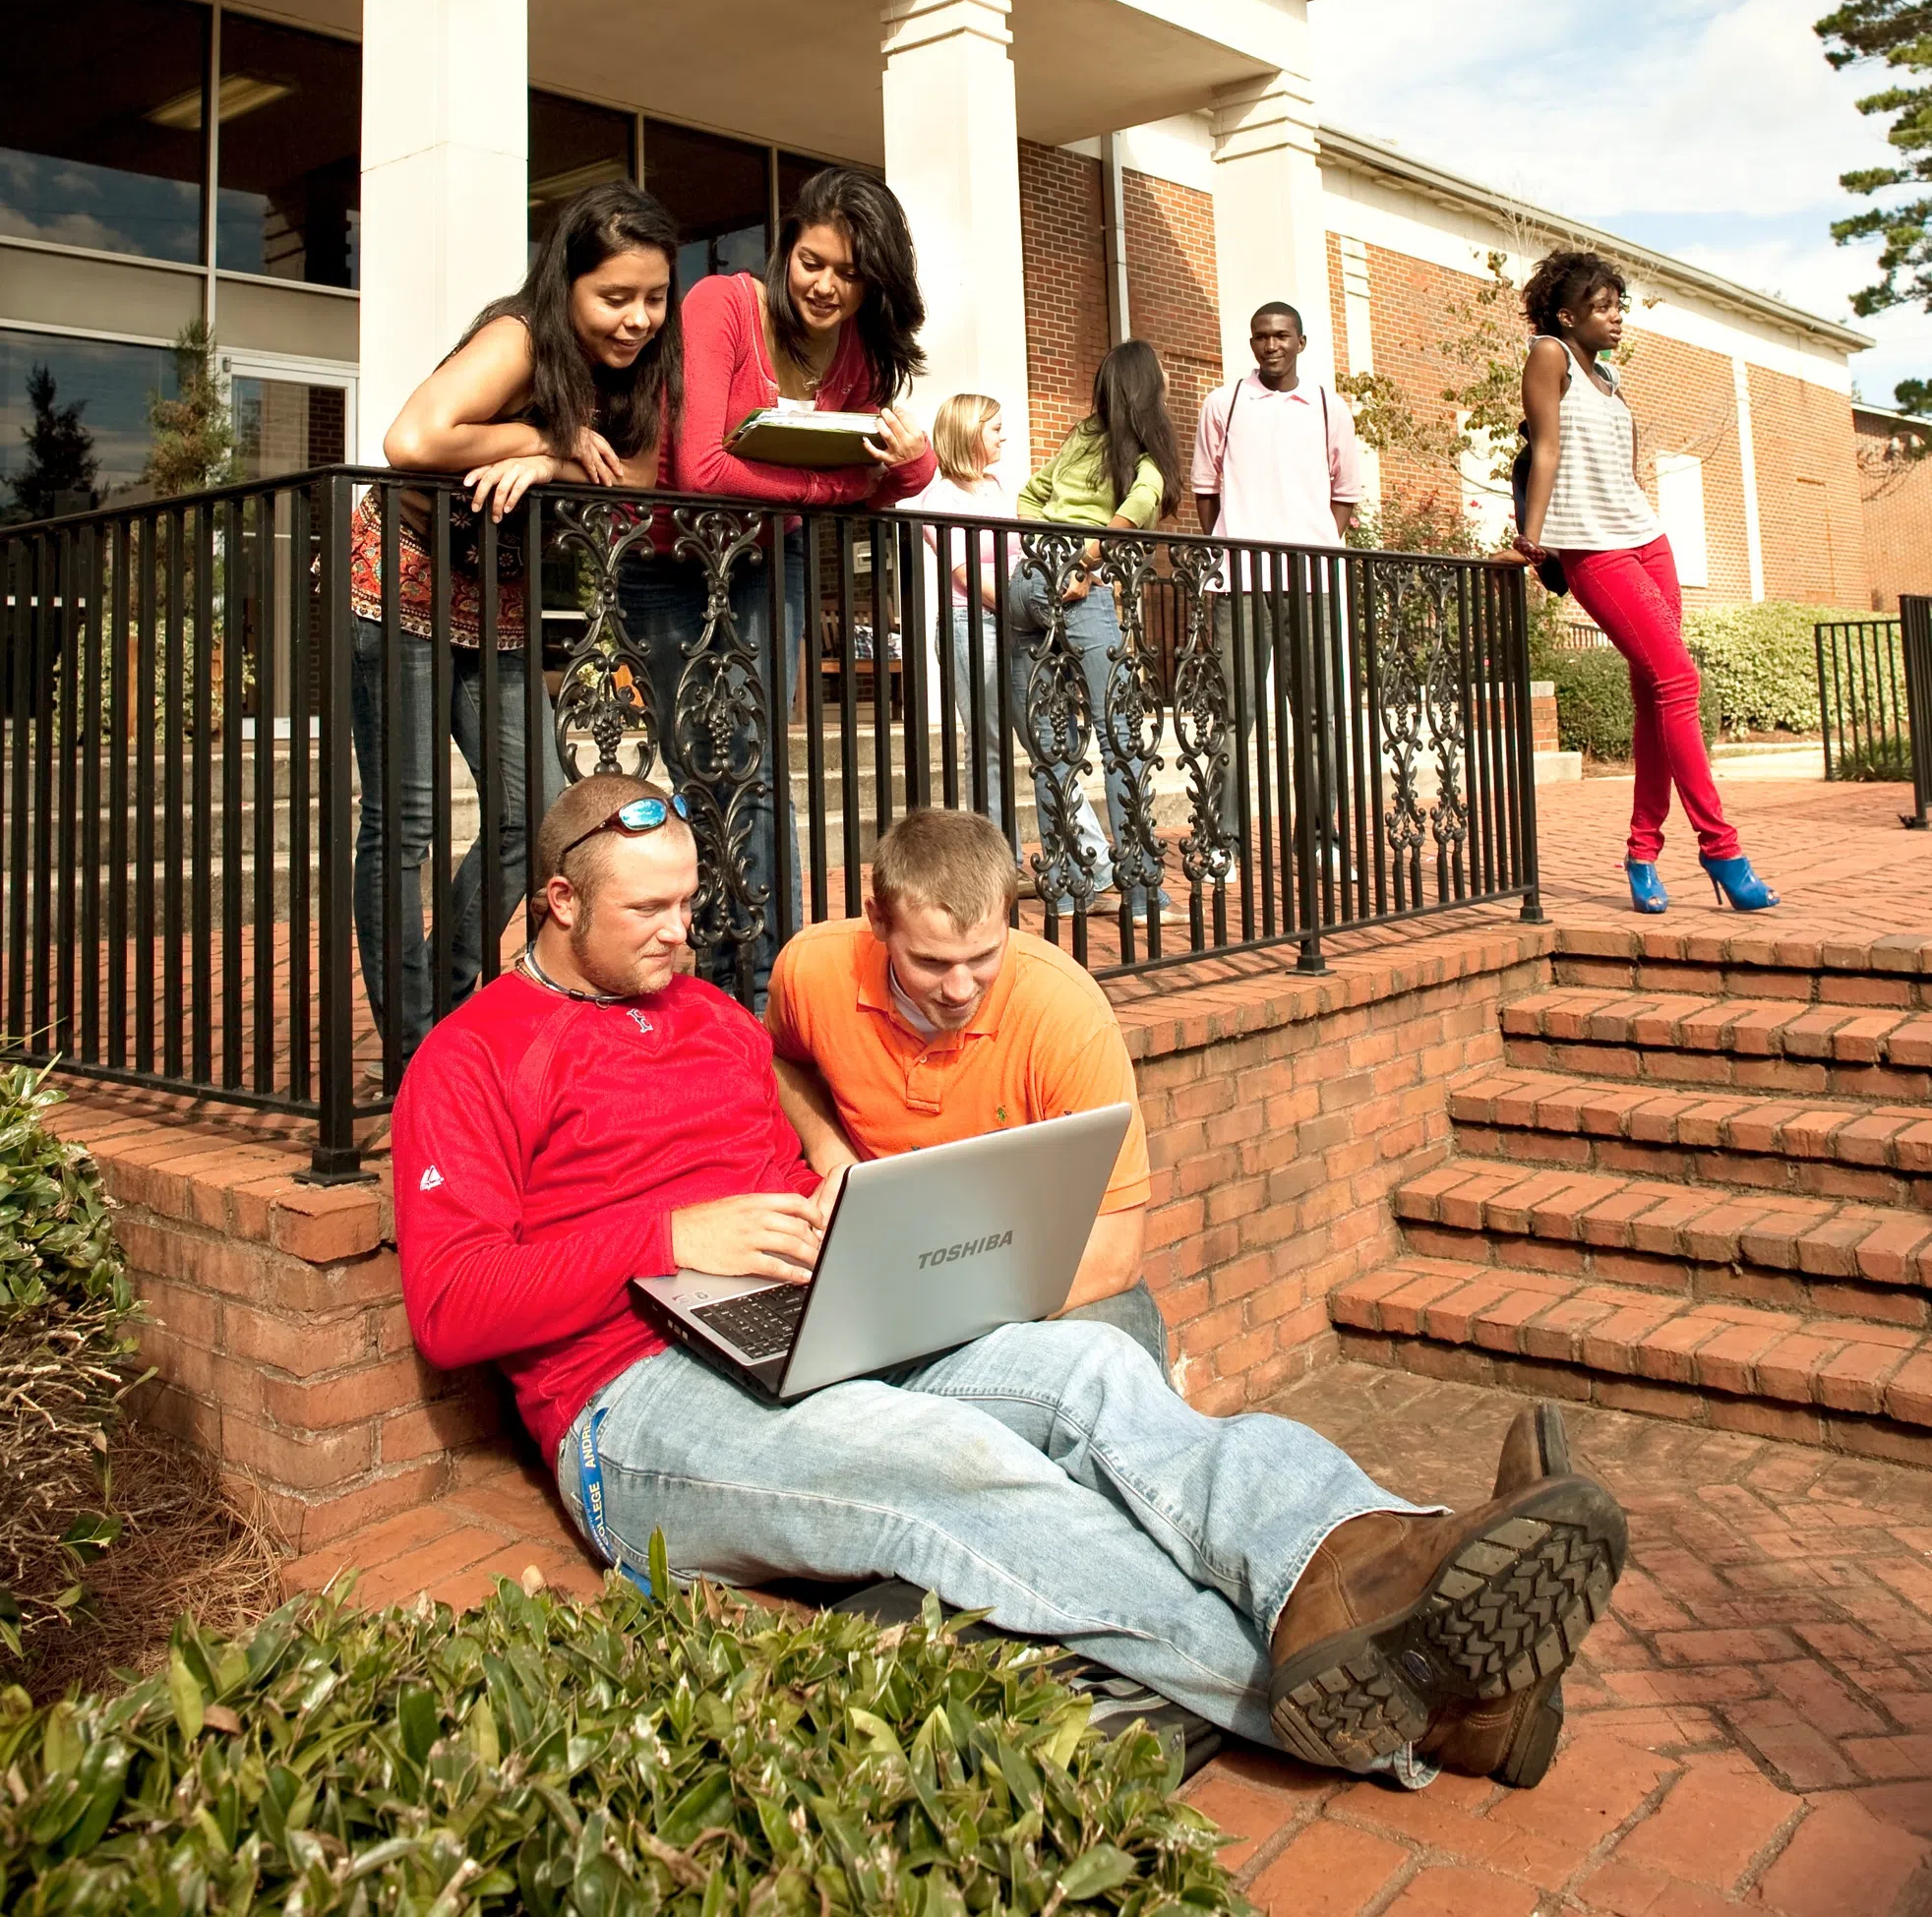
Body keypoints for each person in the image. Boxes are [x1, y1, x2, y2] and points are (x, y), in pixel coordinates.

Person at [392, 771, 1629, 1785]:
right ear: (556, 901)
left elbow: (779, 1096)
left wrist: (829, 1178)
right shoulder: (472, 1058)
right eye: (647, 913)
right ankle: (1417, 1707)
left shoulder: (714, 1015)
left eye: (686, 904)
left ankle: (1377, 1555)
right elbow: (451, 1311)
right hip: (634, 1410)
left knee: (1093, 1363)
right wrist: (666, 1240)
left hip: (796, 1324)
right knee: (955, 1467)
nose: (681, 930)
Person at [355, 182, 681, 1062]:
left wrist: (554, 467)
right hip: (402, 577)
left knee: (534, 812)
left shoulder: (645, 366)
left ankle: (454, 1001)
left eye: (653, 297)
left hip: (493, 593)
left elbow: (642, 478)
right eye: (614, 298)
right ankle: (411, 1043)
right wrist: (541, 440)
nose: (637, 319)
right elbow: (414, 440)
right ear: (565, 284)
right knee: (407, 820)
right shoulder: (520, 338)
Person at [628, 169, 936, 987]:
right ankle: (720, 972)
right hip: (669, 565)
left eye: (848, 272)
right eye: (811, 261)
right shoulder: (721, 306)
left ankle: (771, 978)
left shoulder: (862, 354)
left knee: (759, 770)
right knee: (705, 771)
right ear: (784, 248)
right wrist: (826, 489)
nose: (825, 285)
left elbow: (891, 475)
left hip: (770, 562)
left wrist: (920, 460)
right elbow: (699, 468)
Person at [766, 807, 1171, 1373]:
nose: (959, 989)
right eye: (931, 962)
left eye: (983, 957)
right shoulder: (811, 970)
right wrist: (833, 1155)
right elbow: (783, 1063)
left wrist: (932, 1314)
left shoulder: (1066, 1014)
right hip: (887, 1262)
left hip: (1041, 1278)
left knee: (1110, 1373)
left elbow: (1115, 1255)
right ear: (877, 920)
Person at [1513, 249, 1777, 916]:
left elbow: (1621, 461)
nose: (1616, 316)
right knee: (1680, 680)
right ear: (1567, 314)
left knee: (1656, 694)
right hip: (1593, 549)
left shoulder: (1611, 373)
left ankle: (1642, 852)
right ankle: (1721, 847)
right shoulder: (1550, 355)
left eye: (1618, 304)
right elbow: (1544, 447)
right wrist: (1533, 539)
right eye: (1601, 307)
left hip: (1646, 539)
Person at [1010, 341, 1181, 912]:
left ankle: (1066, 886)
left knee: (1051, 739)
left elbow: (1031, 496)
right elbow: (1140, 503)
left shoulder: (1079, 438)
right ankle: (1139, 888)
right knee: (1120, 740)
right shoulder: (1143, 456)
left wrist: (1044, 550)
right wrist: (1083, 562)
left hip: (1029, 583)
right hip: (1079, 589)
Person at [1191, 303, 1365, 861]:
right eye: (1261, 336)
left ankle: (1318, 836)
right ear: (1252, 342)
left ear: (1302, 342)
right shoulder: (1224, 402)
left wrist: (1314, 546)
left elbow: (1345, 495)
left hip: (1310, 582)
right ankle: (1224, 840)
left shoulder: (1325, 406)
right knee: (1232, 714)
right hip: (1239, 581)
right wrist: (1232, 546)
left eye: (1282, 336)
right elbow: (1204, 492)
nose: (1272, 346)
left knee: (1317, 712)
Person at [896, 394, 1013, 822]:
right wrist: (1017, 606)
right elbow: (964, 574)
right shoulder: (940, 500)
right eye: (995, 429)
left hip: (1011, 622)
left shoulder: (998, 487)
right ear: (969, 433)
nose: (1004, 437)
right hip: (971, 623)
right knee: (986, 740)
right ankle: (999, 858)